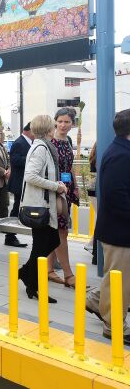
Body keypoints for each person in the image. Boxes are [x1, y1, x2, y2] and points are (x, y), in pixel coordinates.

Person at [86, 109, 130, 344]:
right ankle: (113, 325)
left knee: (120, 277)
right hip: (120, 231)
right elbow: (115, 196)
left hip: (119, 229)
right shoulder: (121, 155)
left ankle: (95, 299)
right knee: (120, 279)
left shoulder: (121, 150)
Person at [17, 115, 66, 304]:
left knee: (49, 241)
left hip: (43, 204)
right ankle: (33, 285)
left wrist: (56, 183)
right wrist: (56, 187)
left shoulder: (42, 146)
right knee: (43, 245)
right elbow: (30, 176)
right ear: (48, 129)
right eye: (53, 126)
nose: (55, 128)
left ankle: (26, 274)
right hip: (40, 206)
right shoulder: (40, 148)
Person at [47, 108, 78, 288]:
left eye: (67, 122)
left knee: (58, 230)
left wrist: (74, 186)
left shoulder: (68, 140)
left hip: (67, 189)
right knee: (60, 231)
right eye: (60, 121)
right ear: (55, 122)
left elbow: (70, 165)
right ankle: (68, 274)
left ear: (72, 124)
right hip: (54, 190)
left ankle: (49, 270)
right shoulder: (49, 141)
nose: (63, 125)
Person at [6, 123, 34, 248]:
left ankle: (11, 235)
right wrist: (32, 159)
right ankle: (10, 236)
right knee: (16, 209)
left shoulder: (28, 142)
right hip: (19, 182)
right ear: (28, 130)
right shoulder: (19, 142)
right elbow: (15, 161)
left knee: (19, 208)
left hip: (25, 182)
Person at [84, 142, 98, 264]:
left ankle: (91, 243)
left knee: (99, 217)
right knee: (100, 218)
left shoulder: (93, 156)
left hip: (92, 189)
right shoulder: (98, 157)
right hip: (96, 190)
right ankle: (91, 244)